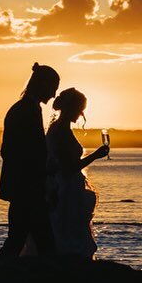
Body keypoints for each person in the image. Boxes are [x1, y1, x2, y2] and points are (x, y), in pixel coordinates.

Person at [0, 62, 59, 257]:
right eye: (53, 88)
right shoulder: (25, 110)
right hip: (27, 188)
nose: (54, 95)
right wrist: (41, 172)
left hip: (24, 187)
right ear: (42, 85)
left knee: (20, 238)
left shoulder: (27, 108)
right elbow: (12, 151)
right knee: (39, 240)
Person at [45, 87, 109, 258]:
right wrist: (95, 155)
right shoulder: (60, 131)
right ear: (72, 108)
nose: (82, 114)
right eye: (80, 109)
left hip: (67, 186)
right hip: (65, 189)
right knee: (69, 233)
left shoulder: (60, 129)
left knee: (69, 232)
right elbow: (69, 168)